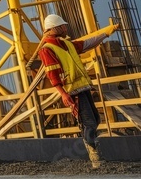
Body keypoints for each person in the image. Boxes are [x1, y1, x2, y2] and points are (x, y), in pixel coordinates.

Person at [39, 13, 112, 168]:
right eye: (63, 25)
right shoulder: (47, 49)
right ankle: (95, 158)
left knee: (96, 120)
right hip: (72, 91)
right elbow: (52, 74)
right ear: (54, 28)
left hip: (83, 86)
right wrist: (63, 94)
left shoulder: (67, 44)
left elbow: (86, 44)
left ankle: (94, 151)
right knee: (89, 123)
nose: (66, 27)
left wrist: (105, 33)